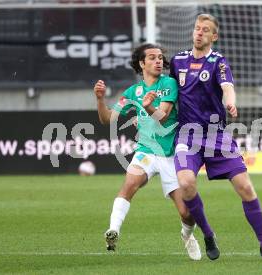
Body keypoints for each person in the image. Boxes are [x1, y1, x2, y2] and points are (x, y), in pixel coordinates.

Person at [170, 14, 262, 261]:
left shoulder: (218, 62)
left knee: (245, 187)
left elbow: (228, 88)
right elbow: (167, 95)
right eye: (197, 28)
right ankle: (208, 234)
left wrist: (231, 104)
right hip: (187, 136)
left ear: (214, 36)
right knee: (186, 183)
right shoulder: (177, 61)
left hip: (217, 135)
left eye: (206, 30)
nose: (199, 33)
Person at [93, 43, 201, 260]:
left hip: (170, 155)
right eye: (152, 58)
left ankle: (187, 236)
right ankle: (113, 230)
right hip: (146, 151)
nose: (158, 61)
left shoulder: (169, 83)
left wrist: (148, 106)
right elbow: (107, 119)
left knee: (186, 213)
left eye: (160, 57)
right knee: (130, 183)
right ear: (142, 64)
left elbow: (162, 116)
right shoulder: (133, 92)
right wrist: (100, 99)